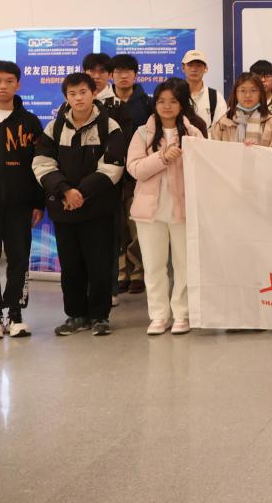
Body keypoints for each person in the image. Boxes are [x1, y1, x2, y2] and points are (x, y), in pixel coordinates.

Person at [33, 73, 125, 336]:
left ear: (93, 93)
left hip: (98, 209)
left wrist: (80, 193)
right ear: (66, 97)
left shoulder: (110, 126)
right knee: (71, 266)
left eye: (83, 92)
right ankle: (76, 315)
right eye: (72, 94)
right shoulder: (54, 127)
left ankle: (100, 316)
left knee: (100, 264)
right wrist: (65, 191)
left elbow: (113, 167)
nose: (78, 98)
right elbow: (41, 163)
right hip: (65, 209)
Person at [126, 80, 207, 335]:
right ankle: (159, 315)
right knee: (153, 266)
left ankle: (182, 314)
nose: (167, 106)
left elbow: (204, 168)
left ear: (182, 104)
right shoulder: (143, 133)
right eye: (161, 101)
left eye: (173, 101)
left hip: (184, 210)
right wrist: (161, 157)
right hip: (149, 212)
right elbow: (135, 169)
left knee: (184, 265)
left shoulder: (193, 134)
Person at [0, 61, 44, 340]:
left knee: (19, 260)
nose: (3, 86)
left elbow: (39, 165)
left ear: (18, 84)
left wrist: (38, 202)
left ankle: (16, 314)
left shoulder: (29, 122)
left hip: (20, 206)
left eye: (9, 81)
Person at [109, 54, 151, 299]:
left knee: (136, 224)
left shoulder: (147, 103)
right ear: (111, 75)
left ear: (136, 75)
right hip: (110, 174)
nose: (123, 76)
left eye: (128, 71)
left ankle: (137, 272)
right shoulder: (103, 103)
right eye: (118, 71)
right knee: (116, 225)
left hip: (138, 175)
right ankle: (121, 271)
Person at [209, 73, 272, 147]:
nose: (248, 95)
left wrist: (257, 150)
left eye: (253, 90)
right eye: (243, 91)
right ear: (235, 94)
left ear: (261, 93)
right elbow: (215, 153)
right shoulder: (222, 124)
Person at [181, 50, 227, 129]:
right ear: (183, 68)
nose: (194, 69)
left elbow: (220, 128)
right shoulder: (175, 94)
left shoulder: (215, 97)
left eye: (199, 65)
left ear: (206, 69)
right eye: (190, 65)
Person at [82, 53, 123, 122]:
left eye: (102, 71)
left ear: (110, 75)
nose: (96, 76)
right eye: (92, 71)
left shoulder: (120, 106)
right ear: (84, 73)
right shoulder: (73, 102)